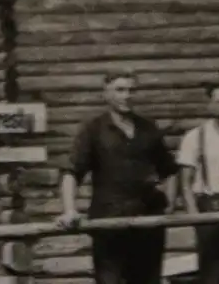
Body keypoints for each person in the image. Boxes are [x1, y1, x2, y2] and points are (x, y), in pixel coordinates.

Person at [55, 71, 179, 284]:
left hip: (148, 221)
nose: (127, 95)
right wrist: (69, 209)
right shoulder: (93, 129)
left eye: (131, 90)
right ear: (106, 94)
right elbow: (71, 172)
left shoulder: (148, 128)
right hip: (108, 221)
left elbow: (169, 170)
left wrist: (169, 204)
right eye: (120, 90)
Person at [177, 83, 219, 283]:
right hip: (210, 206)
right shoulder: (195, 137)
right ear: (211, 104)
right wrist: (194, 216)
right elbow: (185, 182)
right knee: (211, 270)